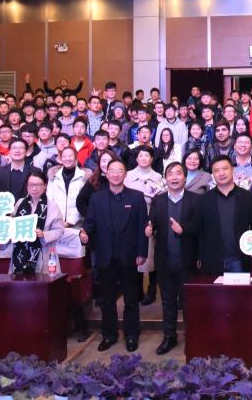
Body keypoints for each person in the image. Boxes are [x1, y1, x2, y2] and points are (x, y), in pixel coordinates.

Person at [80, 158, 149, 352]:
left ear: (125, 174)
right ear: (106, 173)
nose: (116, 174)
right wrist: (83, 234)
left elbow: (142, 226)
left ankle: (131, 335)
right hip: (105, 256)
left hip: (130, 256)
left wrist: (142, 252)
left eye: (120, 170)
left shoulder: (137, 197)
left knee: (131, 299)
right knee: (107, 300)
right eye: (112, 170)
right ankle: (109, 335)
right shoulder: (97, 198)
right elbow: (89, 223)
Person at [146, 162, 199, 355]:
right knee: (167, 301)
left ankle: (192, 337)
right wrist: (149, 228)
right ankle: (169, 336)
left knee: (189, 303)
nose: (174, 177)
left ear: (185, 177)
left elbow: (200, 228)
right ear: (165, 178)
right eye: (170, 174)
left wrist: (184, 230)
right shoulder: (158, 200)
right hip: (164, 260)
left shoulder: (196, 200)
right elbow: (152, 222)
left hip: (188, 261)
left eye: (178, 173)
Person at [188, 155, 252, 276]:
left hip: (240, 259)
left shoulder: (247, 197)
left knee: (240, 289)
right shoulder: (204, 200)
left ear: (232, 170)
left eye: (225, 169)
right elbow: (196, 229)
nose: (221, 173)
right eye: (216, 170)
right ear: (212, 174)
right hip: (212, 261)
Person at [0, 170, 64, 274]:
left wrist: (44, 235)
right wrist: (1, 242)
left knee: (43, 282)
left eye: (38, 185)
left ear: (45, 186)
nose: (34, 188)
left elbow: (59, 230)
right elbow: (11, 227)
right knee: (18, 283)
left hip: (43, 254)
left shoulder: (52, 206)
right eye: (31, 184)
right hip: (20, 254)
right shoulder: (20, 203)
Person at [125, 146, 166, 306]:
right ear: (136, 159)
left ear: (151, 158)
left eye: (146, 155)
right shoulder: (128, 175)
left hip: (151, 217)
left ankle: (152, 289)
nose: (143, 158)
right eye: (140, 156)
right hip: (131, 218)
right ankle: (137, 290)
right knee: (135, 253)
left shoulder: (158, 177)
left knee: (151, 254)